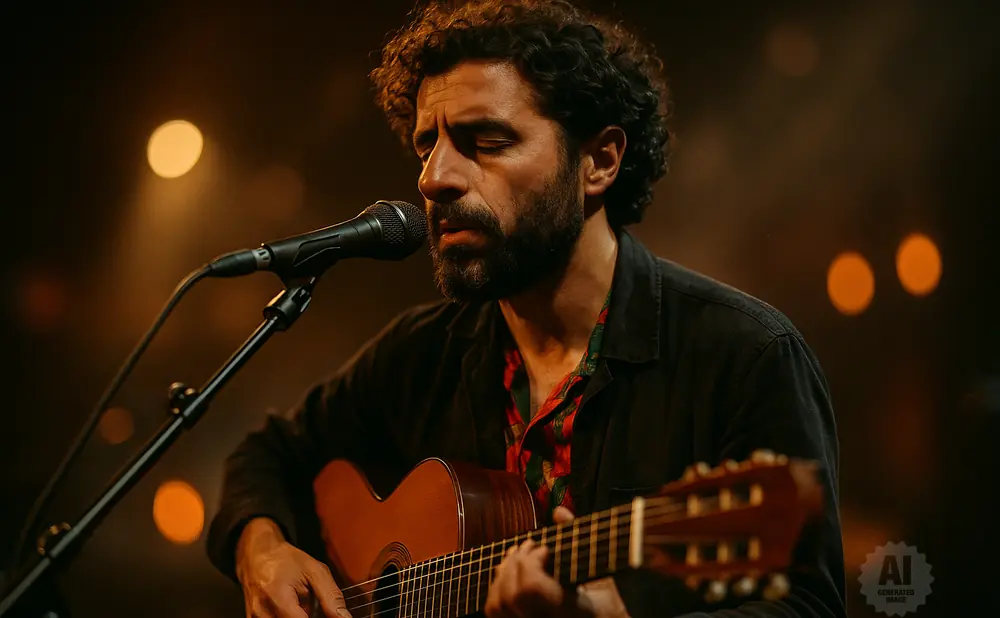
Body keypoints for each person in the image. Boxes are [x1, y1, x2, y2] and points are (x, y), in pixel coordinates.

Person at [205, 1, 847, 617]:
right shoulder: (420, 356)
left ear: (599, 161)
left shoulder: (744, 356)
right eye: (427, 145)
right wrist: (261, 551)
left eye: (485, 140)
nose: (434, 178)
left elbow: (805, 605)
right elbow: (265, 456)